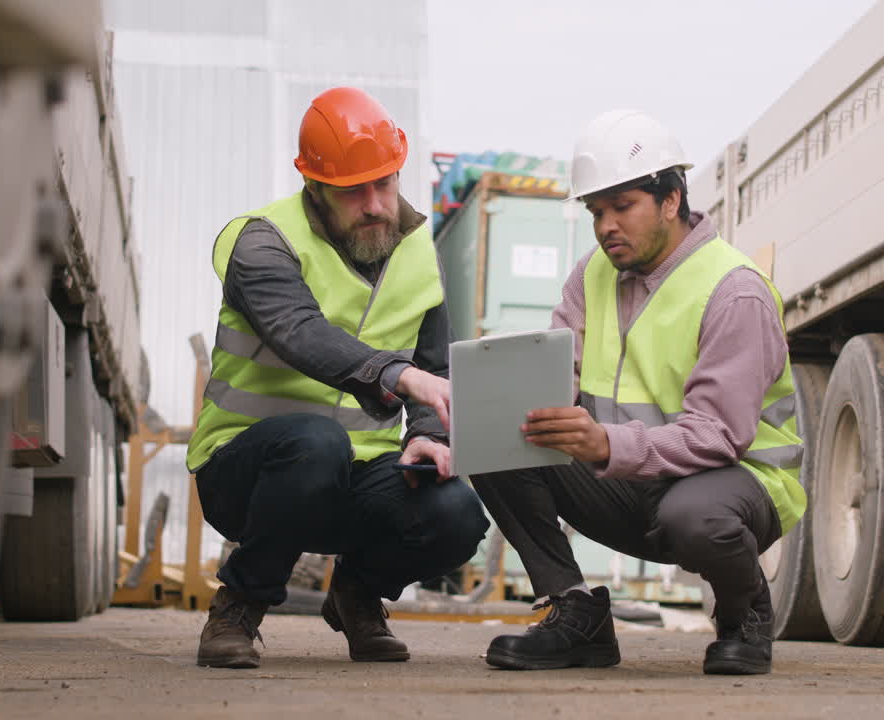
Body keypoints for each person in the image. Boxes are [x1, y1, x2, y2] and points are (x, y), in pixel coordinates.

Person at [471, 109, 805, 675]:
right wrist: (485, 409)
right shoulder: (591, 276)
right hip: (635, 483)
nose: (606, 226)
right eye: (595, 211)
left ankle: (744, 613)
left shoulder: (733, 290)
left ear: (671, 199)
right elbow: (556, 378)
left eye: (622, 207)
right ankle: (575, 612)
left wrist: (606, 444)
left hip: (733, 485)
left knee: (695, 516)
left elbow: (719, 435)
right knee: (499, 434)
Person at [185, 87, 489, 669]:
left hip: (356, 474)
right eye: (353, 191)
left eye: (385, 184)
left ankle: (357, 592)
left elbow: (435, 365)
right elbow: (298, 330)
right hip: (248, 475)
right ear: (314, 186)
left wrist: (429, 433)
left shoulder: (419, 254)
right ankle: (239, 606)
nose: (375, 205)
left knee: (458, 515)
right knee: (315, 444)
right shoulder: (262, 241)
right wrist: (398, 376)